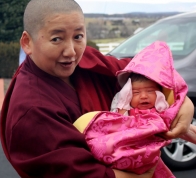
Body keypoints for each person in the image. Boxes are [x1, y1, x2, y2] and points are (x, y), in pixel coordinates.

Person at [0, 0, 194, 178]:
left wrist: (183, 103)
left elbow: (148, 73)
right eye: (56, 39)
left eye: (78, 37)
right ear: (27, 42)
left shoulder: (87, 61)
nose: (71, 52)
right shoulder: (32, 109)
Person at [73, 42, 188, 178]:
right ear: (127, 94)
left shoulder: (160, 113)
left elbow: (176, 106)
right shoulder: (124, 113)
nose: (144, 96)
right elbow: (116, 125)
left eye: (150, 91)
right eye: (136, 93)